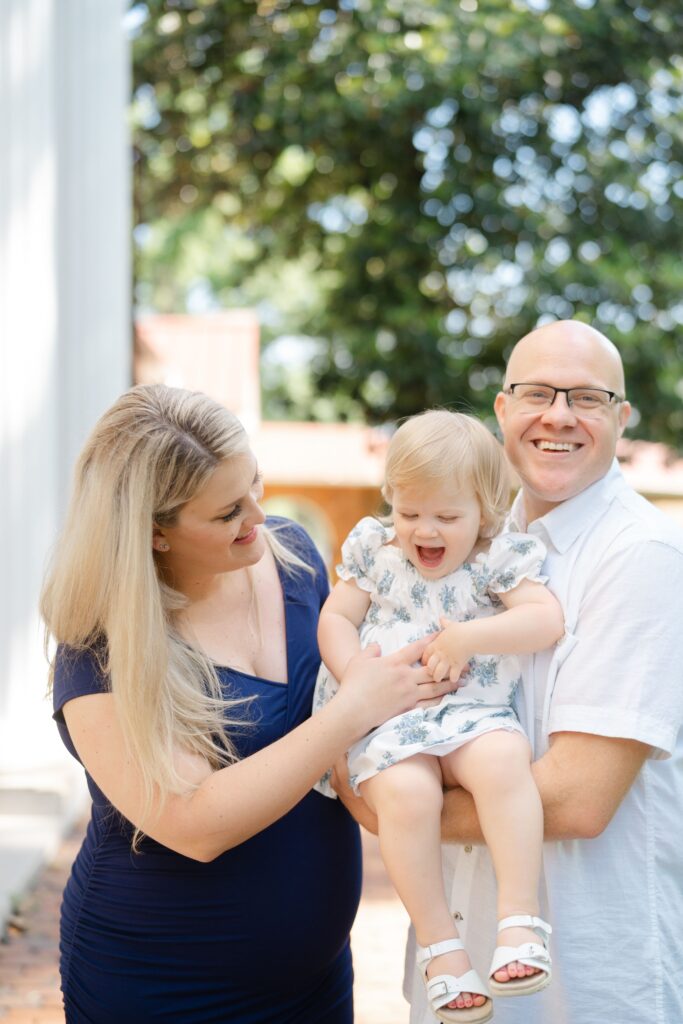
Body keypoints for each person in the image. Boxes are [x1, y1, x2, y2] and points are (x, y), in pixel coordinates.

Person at [40, 383, 455, 1024]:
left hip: (316, 982)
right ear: (154, 534)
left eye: (255, 485)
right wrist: (351, 712)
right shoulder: (100, 649)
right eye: (229, 511)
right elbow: (195, 826)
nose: (257, 517)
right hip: (163, 987)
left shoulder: (293, 559)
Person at [401, 321, 683, 1024]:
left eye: (586, 398)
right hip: (455, 973)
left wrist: (382, 798)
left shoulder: (639, 555)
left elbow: (578, 799)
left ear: (620, 418)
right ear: (501, 410)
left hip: (584, 989)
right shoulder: (467, 541)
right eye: (535, 393)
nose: (557, 415)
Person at [313, 410, 565, 1023]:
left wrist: (471, 637)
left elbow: (544, 619)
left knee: (506, 760)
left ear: (484, 511)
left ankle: (518, 922)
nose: (423, 529)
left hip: (472, 708)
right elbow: (336, 618)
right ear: (391, 503)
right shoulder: (377, 549)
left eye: (446, 517)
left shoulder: (496, 556)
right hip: (395, 718)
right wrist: (356, 678)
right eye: (409, 512)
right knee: (405, 794)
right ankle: (441, 950)